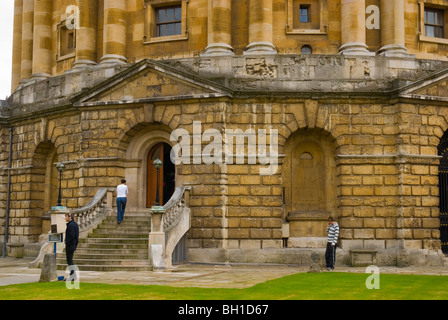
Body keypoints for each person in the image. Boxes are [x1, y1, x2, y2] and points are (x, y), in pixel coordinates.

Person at [65, 212, 79, 280]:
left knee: (69, 260)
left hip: (70, 245)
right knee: (70, 260)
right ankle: (72, 275)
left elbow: (72, 236)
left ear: (69, 217)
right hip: (72, 244)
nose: (65, 218)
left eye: (66, 216)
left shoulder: (71, 225)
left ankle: (73, 275)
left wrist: (67, 242)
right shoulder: (74, 224)